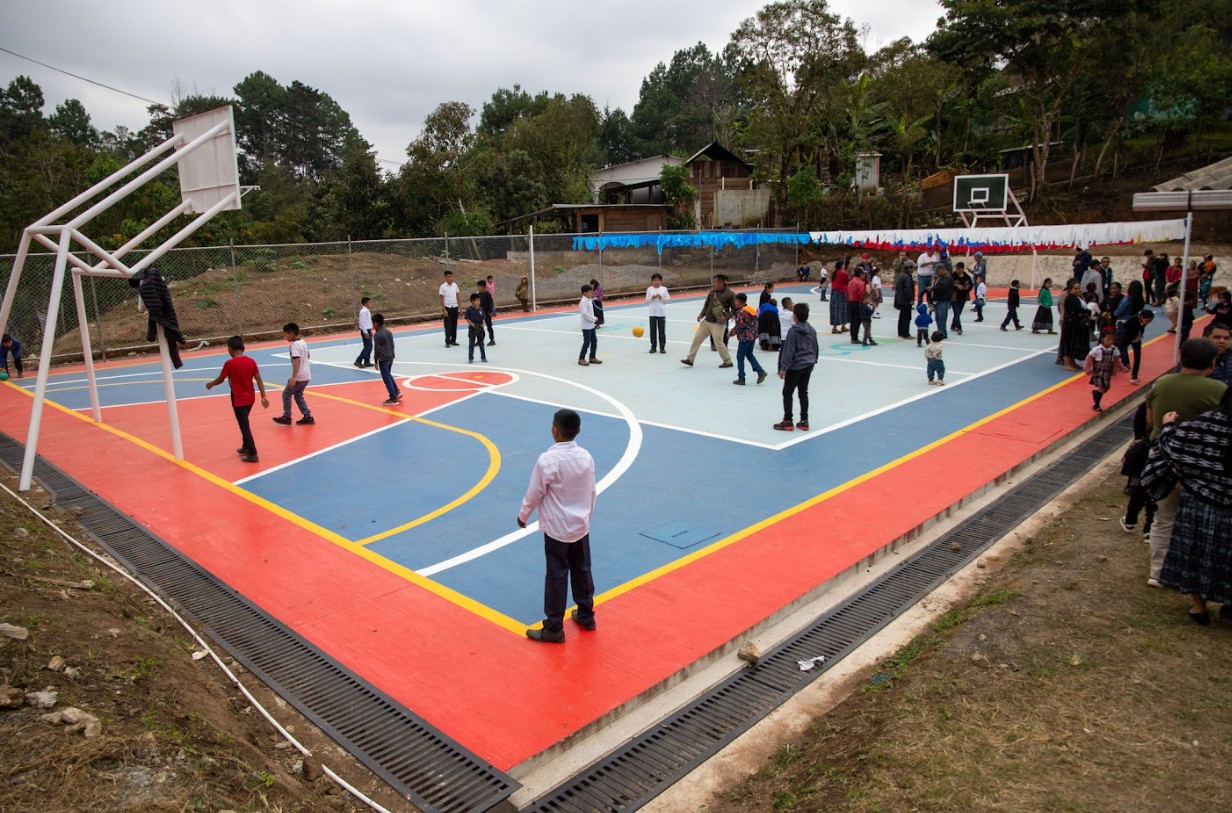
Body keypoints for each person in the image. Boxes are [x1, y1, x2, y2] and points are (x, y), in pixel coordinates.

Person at [1143, 338, 1227, 586]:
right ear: (1212, 363)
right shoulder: (1219, 390)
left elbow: (1150, 420)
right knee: (1197, 522)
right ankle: (1189, 575)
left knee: (1164, 517)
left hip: (1162, 459)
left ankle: (1157, 572)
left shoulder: (1162, 383)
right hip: (1202, 464)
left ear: (1182, 357)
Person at [1153, 386, 1232, 625]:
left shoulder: (1204, 424)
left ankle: (1199, 608)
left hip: (1201, 502)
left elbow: (1172, 450)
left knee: (1195, 554)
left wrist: (1168, 426)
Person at [518, 408, 597, 644]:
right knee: (582, 570)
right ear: (578, 430)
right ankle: (586, 615)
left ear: (554, 430)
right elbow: (592, 491)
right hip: (580, 526)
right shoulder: (585, 457)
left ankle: (554, 627)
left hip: (557, 529)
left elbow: (535, 493)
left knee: (556, 575)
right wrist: (587, 516)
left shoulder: (547, 461)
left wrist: (523, 515)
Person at [205, 335, 268, 463]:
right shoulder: (251, 361)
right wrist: (263, 396)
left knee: (244, 425)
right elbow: (259, 380)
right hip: (250, 398)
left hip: (238, 399)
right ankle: (245, 446)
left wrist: (211, 384)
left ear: (230, 349)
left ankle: (253, 453)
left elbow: (221, 379)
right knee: (245, 421)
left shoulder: (230, 363)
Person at [775, 302, 818, 431]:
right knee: (803, 392)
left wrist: (783, 368)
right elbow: (815, 346)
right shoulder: (811, 330)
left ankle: (788, 420)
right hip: (808, 364)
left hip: (796, 366)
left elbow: (789, 351)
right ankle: (804, 420)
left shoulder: (793, 332)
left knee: (787, 392)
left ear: (795, 316)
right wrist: (814, 360)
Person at [681, 275, 735, 369]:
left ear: (721, 283)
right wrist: (701, 315)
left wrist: (725, 318)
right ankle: (690, 359)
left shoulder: (730, 294)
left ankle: (728, 361)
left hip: (718, 323)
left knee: (718, 343)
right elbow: (706, 305)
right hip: (707, 321)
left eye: (715, 282)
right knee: (697, 338)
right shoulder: (712, 292)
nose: (713, 284)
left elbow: (734, 309)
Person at [1120, 402, 1155, 540]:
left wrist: (1138, 439)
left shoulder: (1147, 405)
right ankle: (1148, 529)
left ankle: (1131, 521)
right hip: (1156, 454)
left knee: (1138, 491)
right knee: (1153, 495)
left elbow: (1138, 424)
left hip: (1142, 455)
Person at [272, 323, 313, 426]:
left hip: (299, 376)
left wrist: (294, 377)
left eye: (285, 334)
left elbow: (296, 360)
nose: (285, 337)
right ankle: (307, 416)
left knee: (286, 394)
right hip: (306, 375)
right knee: (298, 395)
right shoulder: (303, 342)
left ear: (291, 334)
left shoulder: (294, 345)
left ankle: (287, 416)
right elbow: (308, 355)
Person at [1084, 330, 1129, 412]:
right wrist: (1087, 368)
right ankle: (1096, 405)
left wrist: (1123, 368)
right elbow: (1089, 358)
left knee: (1106, 388)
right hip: (1099, 370)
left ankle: (1096, 393)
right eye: (1108, 339)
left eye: (1112, 339)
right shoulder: (1097, 349)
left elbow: (1117, 360)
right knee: (1103, 387)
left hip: (1107, 371)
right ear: (1102, 339)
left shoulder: (1114, 349)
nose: (1111, 341)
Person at [731, 293, 768, 386]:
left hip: (745, 337)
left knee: (740, 357)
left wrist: (731, 333)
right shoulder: (750, 309)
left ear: (739, 301)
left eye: (736, 300)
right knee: (749, 354)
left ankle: (741, 377)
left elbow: (739, 326)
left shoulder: (740, 312)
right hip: (752, 336)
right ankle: (760, 371)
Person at [371, 314, 401, 404]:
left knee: (386, 378)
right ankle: (396, 392)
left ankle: (393, 398)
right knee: (389, 375)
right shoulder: (388, 332)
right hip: (390, 356)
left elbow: (377, 349)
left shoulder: (377, 335)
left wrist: (376, 361)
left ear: (375, 323)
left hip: (383, 358)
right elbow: (392, 345)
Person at [1059, 281, 1089, 371]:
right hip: (1069, 325)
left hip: (1075, 325)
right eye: (1075, 289)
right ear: (1070, 290)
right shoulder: (1070, 299)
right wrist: (1088, 312)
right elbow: (1078, 309)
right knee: (1068, 344)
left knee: (1073, 344)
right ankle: (1067, 364)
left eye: (1079, 288)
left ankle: (1072, 362)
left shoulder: (1077, 298)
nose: (1078, 290)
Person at [1120, 308, 1155, 384]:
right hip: (1127, 338)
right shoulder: (1132, 320)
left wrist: (1139, 335)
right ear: (1141, 317)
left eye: (1150, 321)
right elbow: (1124, 328)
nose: (1148, 323)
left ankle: (1134, 376)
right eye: (1147, 321)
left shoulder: (1143, 321)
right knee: (1119, 352)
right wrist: (1131, 336)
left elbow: (1141, 328)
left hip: (1137, 339)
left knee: (1137, 356)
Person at [892, 253, 916, 339]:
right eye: (912, 268)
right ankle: (906, 333)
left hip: (901, 299)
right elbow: (908, 289)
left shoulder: (902, 275)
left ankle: (901, 332)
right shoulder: (906, 277)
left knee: (902, 317)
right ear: (908, 268)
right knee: (906, 317)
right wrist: (911, 299)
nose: (913, 269)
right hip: (905, 300)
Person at [928, 263, 954, 339]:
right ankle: (940, 332)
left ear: (942, 269)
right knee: (938, 317)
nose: (936, 272)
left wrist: (932, 288)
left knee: (941, 317)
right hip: (939, 300)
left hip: (943, 300)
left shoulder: (947, 278)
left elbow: (942, 288)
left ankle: (942, 333)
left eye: (937, 270)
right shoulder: (941, 277)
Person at [577, 285, 601, 366]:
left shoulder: (589, 300)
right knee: (587, 342)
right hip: (586, 326)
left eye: (591, 292)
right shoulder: (583, 302)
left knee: (594, 341)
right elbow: (584, 314)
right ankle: (581, 358)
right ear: (584, 293)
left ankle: (592, 357)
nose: (591, 293)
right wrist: (594, 319)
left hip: (591, 325)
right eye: (590, 292)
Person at [646, 273, 670, 354]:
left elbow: (667, 300)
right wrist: (652, 298)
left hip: (661, 313)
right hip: (652, 313)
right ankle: (653, 347)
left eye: (658, 280)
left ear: (661, 281)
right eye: (655, 280)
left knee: (662, 331)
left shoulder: (664, 289)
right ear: (652, 281)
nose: (656, 282)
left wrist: (661, 297)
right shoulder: (650, 289)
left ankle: (662, 347)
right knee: (653, 331)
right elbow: (647, 300)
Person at [949, 261, 973, 334]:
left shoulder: (967, 277)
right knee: (956, 312)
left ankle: (953, 325)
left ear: (962, 269)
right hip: (954, 297)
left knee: (958, 313)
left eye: (959, 268)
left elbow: (971, 285)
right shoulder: (952, 276)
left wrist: (967, 287)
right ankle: (959, 328)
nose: (957, 270)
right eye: (956, 268)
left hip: (963, 297)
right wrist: (957, 286)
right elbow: (949, 285)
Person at [464, 293, 488, 364]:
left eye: (479, 300)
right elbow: (467, 319)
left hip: (479, 327)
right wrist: (473, 325)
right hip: (472, 328)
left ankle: (483, 357)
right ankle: (470, 358)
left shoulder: (480, 309)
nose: (478, 302)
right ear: (472, 301)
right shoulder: (469, 310)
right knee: (471, 344)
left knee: (481, 343)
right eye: (477, 300)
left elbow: (483, 318)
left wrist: (483, 325)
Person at [439, 270, 460, 348]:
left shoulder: (455, 285)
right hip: (447, 307)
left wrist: (460, 307)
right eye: (449, 276)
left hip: (454, 306)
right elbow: (441, 298)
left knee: (454, 324)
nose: (451, 278)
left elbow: (458, 296)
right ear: (446, 277)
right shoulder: (443, 287)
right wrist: (444, 309)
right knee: (448, 325)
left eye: (452, 276)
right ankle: (447, 341)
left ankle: (453, 340)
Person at [847, 267, 867, 344]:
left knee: (852, 320)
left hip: (850, 302)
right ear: (860, 274)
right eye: (863, 274)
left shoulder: (850, 282)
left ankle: (852, 336)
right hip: (857, 303)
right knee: (857, 321)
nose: (864, 275)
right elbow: (862, 295)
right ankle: (855, 338)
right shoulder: (860, 283)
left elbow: (847, 292)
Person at [829, 260, 850, 334]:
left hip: (834, 292)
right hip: (841, 292)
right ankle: (842, 326)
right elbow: (847, 282)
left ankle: (835, 327)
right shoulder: (843, 273)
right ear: (841, 266)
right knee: (843, 309)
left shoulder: (834, 273)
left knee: (835, 309)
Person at [354, 296, 374, 369]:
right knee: (367, 346)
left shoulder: (367, 311)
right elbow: (362, 323)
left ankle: (367, 361)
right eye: (369, 303)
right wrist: (365, 332)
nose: (370, 304)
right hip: (365, 330)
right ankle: (358, 361)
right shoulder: (363, 311)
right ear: (365, 304)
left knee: (370, 346)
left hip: (368, 329)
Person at [477, 279, 496, 345]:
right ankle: (480, 340)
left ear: (483, 287)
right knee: (479, 327)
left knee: (489, 326)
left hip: (487, 313)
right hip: (480, 313)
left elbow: (490, 303)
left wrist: (490, 311)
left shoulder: (487, 294)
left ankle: (492, 339)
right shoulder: (479, 294)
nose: (478, 288)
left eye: (479, 286)